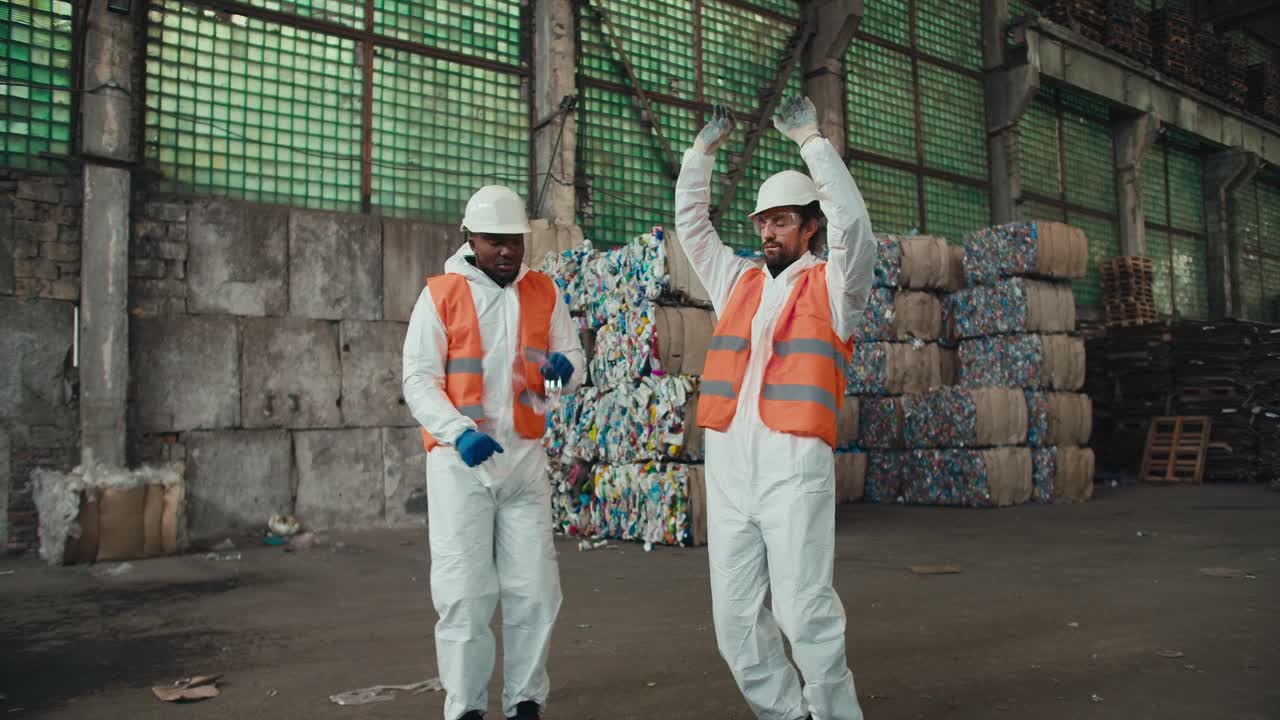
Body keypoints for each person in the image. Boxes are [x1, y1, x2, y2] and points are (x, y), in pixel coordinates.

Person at [674, 96, 876, 720]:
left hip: (793, 471)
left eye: (782, 221)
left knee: (804, 610)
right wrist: (699, 156)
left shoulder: (838, 286)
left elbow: (855, 227)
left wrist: (813, 143)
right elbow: (693, 227)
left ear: (809, 225)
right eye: (763, 221)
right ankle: (789, 715)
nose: (767, 232)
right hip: (731, 470)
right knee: (735, 620)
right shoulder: (737, 281)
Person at [402, 185, 585, 720]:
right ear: (469, 239)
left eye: (514, 242)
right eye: (493, 241)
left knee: (536, 592)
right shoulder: (441, 294)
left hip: (525, 463)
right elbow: (418, 379)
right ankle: (466, 707)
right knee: (464, 595)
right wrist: (458, 431)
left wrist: (563, 376)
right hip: (462, 466)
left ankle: (526, 700)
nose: (506, 251)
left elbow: (570, 360)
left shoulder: (543, 292)